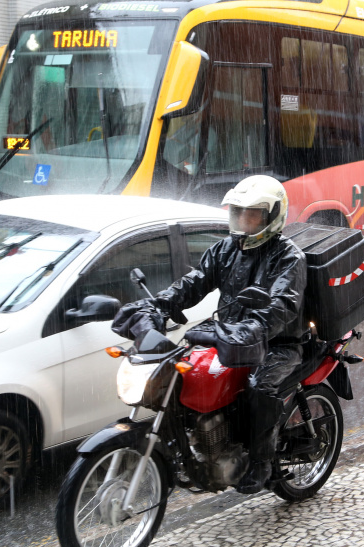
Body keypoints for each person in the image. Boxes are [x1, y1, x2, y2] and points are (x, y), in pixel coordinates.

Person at [111, 175, 308, 494]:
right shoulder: (226, 249)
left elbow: (281, 307)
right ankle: (203, 446)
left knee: (259, 387)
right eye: (239, 213)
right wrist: (159, 304)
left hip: (276, 344)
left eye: (253, 215)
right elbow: (195, 282)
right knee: (185, 375)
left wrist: (250, 328)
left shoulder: (288, 258)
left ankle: (260, 462)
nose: (243, 221)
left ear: (273, 216)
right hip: (229, 338)